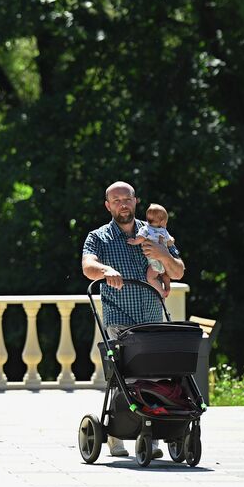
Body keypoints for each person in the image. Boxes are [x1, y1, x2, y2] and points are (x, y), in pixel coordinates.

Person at [82, 181, 185, 458]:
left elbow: (178, 271)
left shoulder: (154, 232)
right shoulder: (99, 237)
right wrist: (105, 270)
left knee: (155, 375)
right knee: (124, 375)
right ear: (108, 206)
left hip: (152, 318)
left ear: (135, 201)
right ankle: (117, 433)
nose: (122, 205)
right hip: (120, 317)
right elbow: (87, 266)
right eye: (116, 201)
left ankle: (153, 434)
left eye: (126, 199)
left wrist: (162, 254)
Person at [125, 203, 175, 298]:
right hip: (164, 260)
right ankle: (167, 287)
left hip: (154, 261)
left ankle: (161, 291)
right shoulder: (163, 231)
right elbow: (170, 241)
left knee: (151, 277)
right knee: (164, 274)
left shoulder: (145, 229)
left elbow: (140, 238)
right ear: (162, 221)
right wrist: (171, 240)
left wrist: (134, 241)